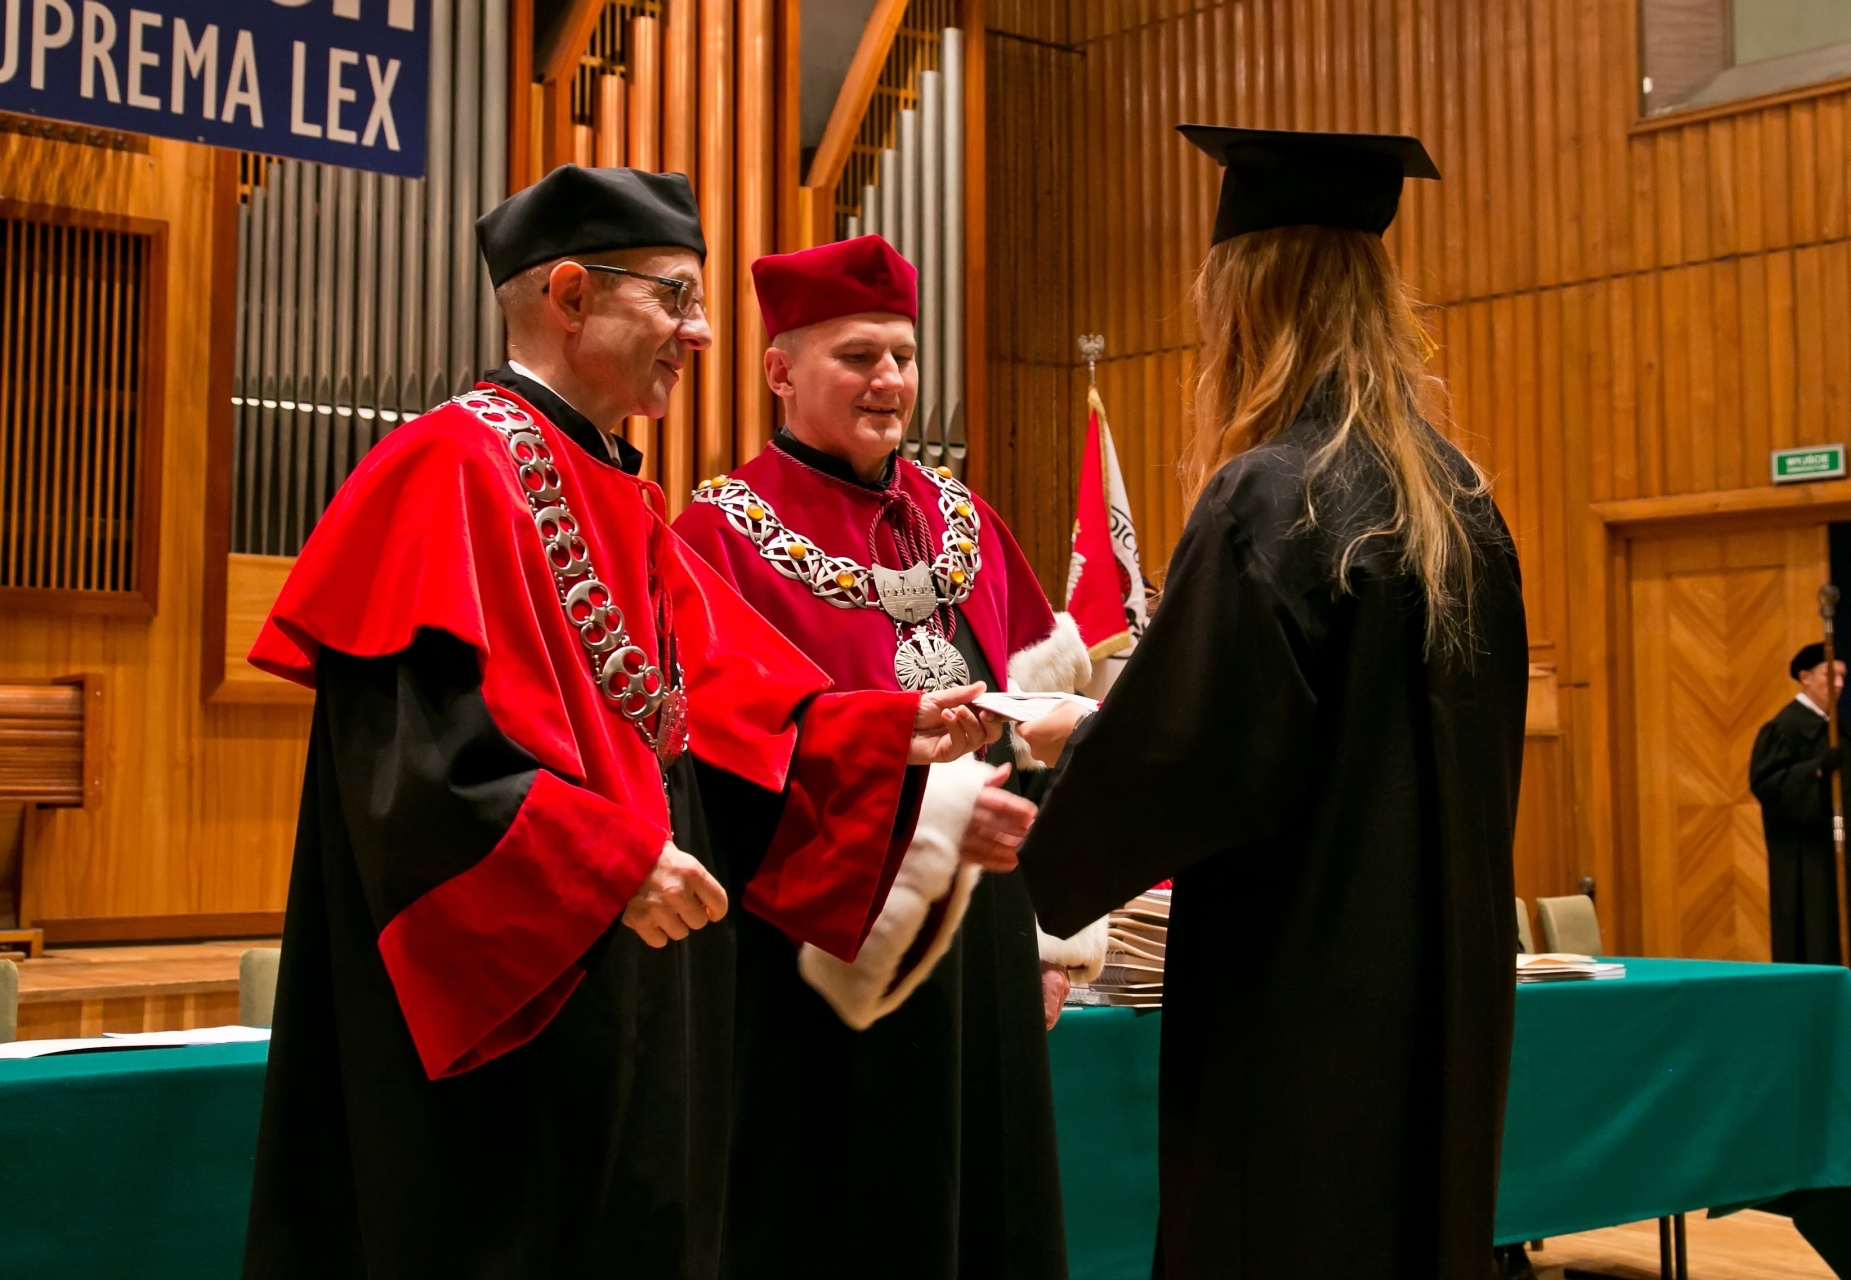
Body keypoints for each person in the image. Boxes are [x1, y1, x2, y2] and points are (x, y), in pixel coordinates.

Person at [240, 165, 1025, 1278]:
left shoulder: (615, 485)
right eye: (674, 296)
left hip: (640, 978)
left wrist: (879, 734)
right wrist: (605, 864)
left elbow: (728, 697)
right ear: (570, 295)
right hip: (522, 1008)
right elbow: (410, 771)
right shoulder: (445, 466)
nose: (700, 332)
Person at [1014, 127, 1530, 1280]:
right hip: (1445, 993)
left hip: (1300, 999)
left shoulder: (1270, 496)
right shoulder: (1461, 502)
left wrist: (1045, 819)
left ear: (1250, 301)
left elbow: (1189, 758)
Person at [672, 235, 1103, 1280]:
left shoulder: (967, 521)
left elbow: (1043, 731)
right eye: (858, 356)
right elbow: (725, 761)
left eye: (903, 356)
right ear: (780, 370)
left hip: (984, 925)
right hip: (824, 939)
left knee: (990, 1194)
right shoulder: (716, 538)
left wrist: (1053, 942)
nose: (891, 381)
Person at [1750, 643, 1851, 1017]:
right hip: (1809, 862)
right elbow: (1768, 785)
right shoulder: (1785, 729)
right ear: (1805, 677)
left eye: (1843, 676)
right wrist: (1813, 770)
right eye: (1830, 675)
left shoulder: (1845, 733)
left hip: (1849, 859)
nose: (1839, 683)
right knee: (1815, 936)